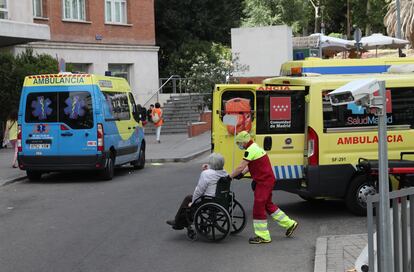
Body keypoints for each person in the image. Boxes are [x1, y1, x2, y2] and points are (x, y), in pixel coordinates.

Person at [230, 131, 298, 244]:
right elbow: (250, 165)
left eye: (239, 143)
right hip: (267, 180)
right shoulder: (255, 147)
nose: (239, 145)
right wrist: (242, 174)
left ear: (244, 142)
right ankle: (290, 224)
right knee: (268, 205)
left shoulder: (250, 150)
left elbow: (241, 166)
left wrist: (229, 176)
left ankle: (263, 236)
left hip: (263, 182)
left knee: (258, 207)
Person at [166, 153, 228, 230]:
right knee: (190, 199)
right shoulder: (225, 173)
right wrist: (209, 167)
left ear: (212, 164)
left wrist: (193, 202)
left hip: (209, 200)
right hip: (221, 200)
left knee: (188, 198)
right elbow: (216, 170)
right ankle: (180, 222)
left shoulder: (206, 174)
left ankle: (177, 221)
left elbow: (199, 191)